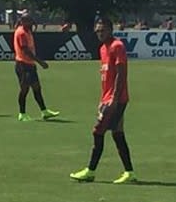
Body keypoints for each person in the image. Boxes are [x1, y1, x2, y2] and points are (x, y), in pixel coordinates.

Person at [70, 17, 136, 184]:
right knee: (118, 134)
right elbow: (106, 77)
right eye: (98, 31)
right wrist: (102, 99)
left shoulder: (117, 46)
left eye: (103, 30)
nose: (100, 33)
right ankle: (130, 173)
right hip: (108, 98)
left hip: (117, 99)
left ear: (110, 30)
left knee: (97, 131)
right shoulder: (103, 49)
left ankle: (90, 171)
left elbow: (121, 74)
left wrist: (113, 98)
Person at [13, 13, 59, 121]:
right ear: (23, 21)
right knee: (24, 89)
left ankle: (44, 111)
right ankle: (22, 113)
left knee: (37, 88)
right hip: (23, 64)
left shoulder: (28, 30)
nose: (31, 23)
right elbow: (26, 50)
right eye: (29, 21)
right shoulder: (21, 33)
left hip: (30, 65)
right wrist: (40, 62)